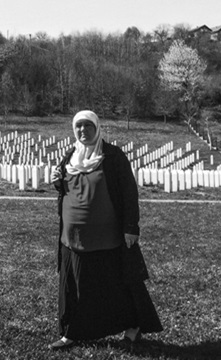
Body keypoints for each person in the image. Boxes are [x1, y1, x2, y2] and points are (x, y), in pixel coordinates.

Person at [49, 110, 162, 350]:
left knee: (115, 286)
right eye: (78, 126)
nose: (82, 131)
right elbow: (64, 185)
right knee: (73, 288)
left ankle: (133, 326)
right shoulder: (70, 155)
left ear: (97, 128)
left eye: (87, 126)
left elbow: (129, 193)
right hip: (72, 238)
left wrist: (131, 227)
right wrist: (57, 181)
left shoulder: (113, 156)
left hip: (106, 237)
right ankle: (70, 331)